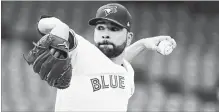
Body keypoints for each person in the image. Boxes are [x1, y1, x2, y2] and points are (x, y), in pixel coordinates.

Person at [37, 3, 176, 112]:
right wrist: (60, 28)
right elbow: (45, 23)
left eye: (114, 29)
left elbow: (115, 63)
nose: (105, 34)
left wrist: (143, 44)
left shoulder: (127, 72)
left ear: (129, 38)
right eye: (100, 28)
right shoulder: (81, 51)